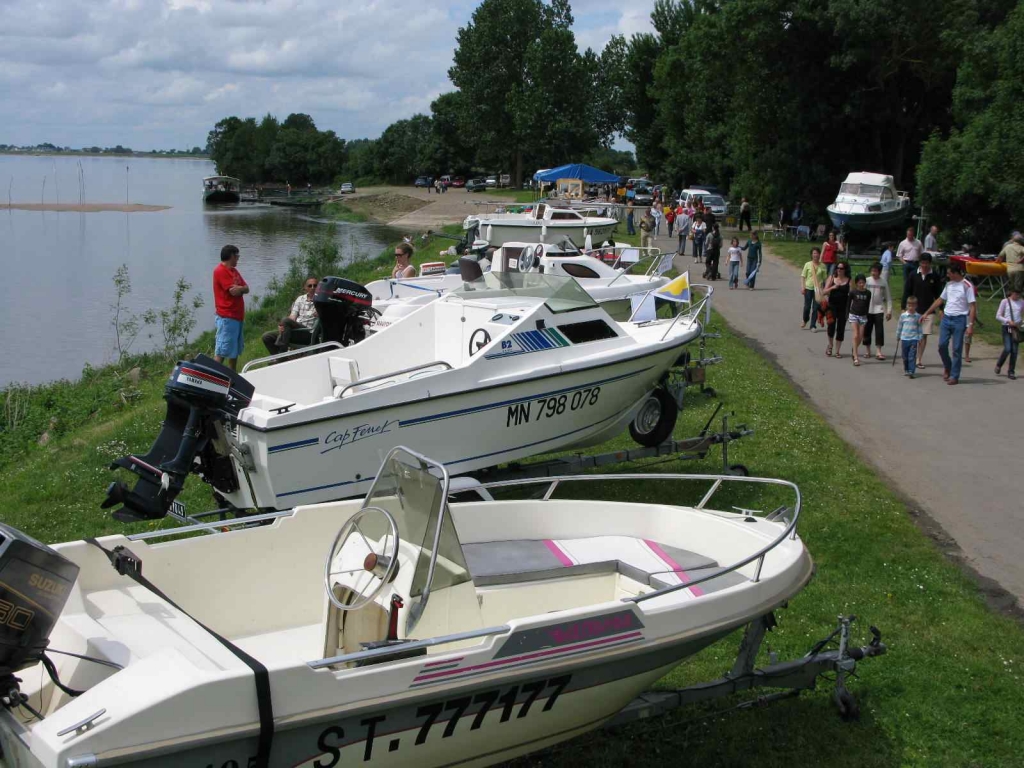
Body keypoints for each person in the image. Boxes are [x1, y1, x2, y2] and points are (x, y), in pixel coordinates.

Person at [922, 262, 976, 385]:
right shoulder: (949, 284)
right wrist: (927, 312)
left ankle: (954, 376)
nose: (947, 275)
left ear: (956, 273)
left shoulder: (967, 286)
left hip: (960, 319)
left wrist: (970, 325)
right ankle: (948, 365)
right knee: (941, 346)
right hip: (947, 318)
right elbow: (940, 299)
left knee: (957, 348)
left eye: (949, 273)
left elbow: (972, 306)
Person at [901, 253, 943, 369]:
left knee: (923, 336)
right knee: (914, 336)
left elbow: (939, 294)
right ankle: (912, 356)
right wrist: (903, 307)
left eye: (927, 263)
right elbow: (907, 290)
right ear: (919, 263)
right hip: (914, 310)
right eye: (922, 263)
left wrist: (941, 309)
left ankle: (919, 359)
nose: (924, 265)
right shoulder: (913, 274)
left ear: (930, 263)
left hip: (928, 310)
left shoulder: (935, 276)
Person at [212, 244, 248, 371]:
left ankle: (233, 377)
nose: (238, 259)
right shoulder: (220, 271)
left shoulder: (234, 271)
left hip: (237, 317)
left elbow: (246, 288)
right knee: (222, 350)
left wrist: (241, 288)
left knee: (234, 351)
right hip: (227, 318)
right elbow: (234, 292)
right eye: (237, 256)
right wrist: (241, 289)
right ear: (231, 256)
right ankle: (213, 375)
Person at [262, 277, 318, 355]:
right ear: (305, 287)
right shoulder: (300, 299)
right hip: (294, 331)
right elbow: (292, 317)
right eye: (310, 286)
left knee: (285, 321)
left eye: (315, 286)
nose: (312, 288)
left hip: (308, 333)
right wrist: (282, 326)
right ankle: (282, 359)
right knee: (267, 336)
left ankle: (282, 354)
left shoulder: (320, 300)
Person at [862, 262, 892, 360]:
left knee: (879, 331)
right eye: (872, 270)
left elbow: (888, 298)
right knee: (867, 330)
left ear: (879, 272)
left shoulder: (883, 282)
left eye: (875, 271)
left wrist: (889, 311)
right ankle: (867, 350)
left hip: (879, 309)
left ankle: (879, 351)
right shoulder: (867, 281)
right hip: (867, 309)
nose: (873, 273)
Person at [822, 262, 851, 357]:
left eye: (841, 268)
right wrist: (832, 287)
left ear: (845, 270)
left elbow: (852, 294)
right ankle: (830, 346)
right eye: (838, 268)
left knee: (841, 328)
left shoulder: (849, 281)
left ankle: (837, 351)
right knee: (831, 326)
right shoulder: (831, 278)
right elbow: (824, 292)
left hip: (843, 307)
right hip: (832, 306)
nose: (839, 270)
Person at [995, 288, 1022, 379]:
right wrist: (1007, 321)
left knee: (1014, 351)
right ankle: (999, 364)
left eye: (1019, 294)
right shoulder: (1005, 301)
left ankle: (1011, 371)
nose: (1017, 296)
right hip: (1006, 327)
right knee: (1008, 348)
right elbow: (998, 316)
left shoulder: (1021, 302)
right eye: (1016, 294)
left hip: (1016, 328)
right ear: (1011, 293)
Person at [896, 296, 924, 378]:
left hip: (913, 339)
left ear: (916, 306)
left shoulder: (918, 316)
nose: (911, 307)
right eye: (909, 305)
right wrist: (898, 335)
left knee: (912, 356)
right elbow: (899, 326)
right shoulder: (903, 316)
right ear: (906, 305)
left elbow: (919, 327)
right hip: (904, 338)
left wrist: (920, 337)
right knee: (905, 356)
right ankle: (906, 369)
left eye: (913, 305)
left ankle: (911, 371)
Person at [847, 274, 871, 366]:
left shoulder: (868, 293)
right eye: (859, 283)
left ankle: (854, 349)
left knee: (860, 337)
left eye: (863, 282)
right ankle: (856, 357)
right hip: (854, 315)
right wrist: (847, 315)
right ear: (856, 283)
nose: (861, 284)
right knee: (856, 334)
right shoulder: (853, 292)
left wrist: (867, 315)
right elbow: (848, 304)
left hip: (863, 316)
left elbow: (867, 304)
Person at [801, 247, 826, 330]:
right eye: (814, 253)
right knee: (807, 307)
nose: (815, 255)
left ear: (819, 254)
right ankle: (805, 319)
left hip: (818, 290)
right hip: (808, 288)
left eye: (817, 253)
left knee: (815, 308)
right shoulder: (807, 264)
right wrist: (803, 287)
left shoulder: (823, 266)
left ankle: (813, 325)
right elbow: (803, 277)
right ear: (811, 255)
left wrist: (824, 290)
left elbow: (824, 279)